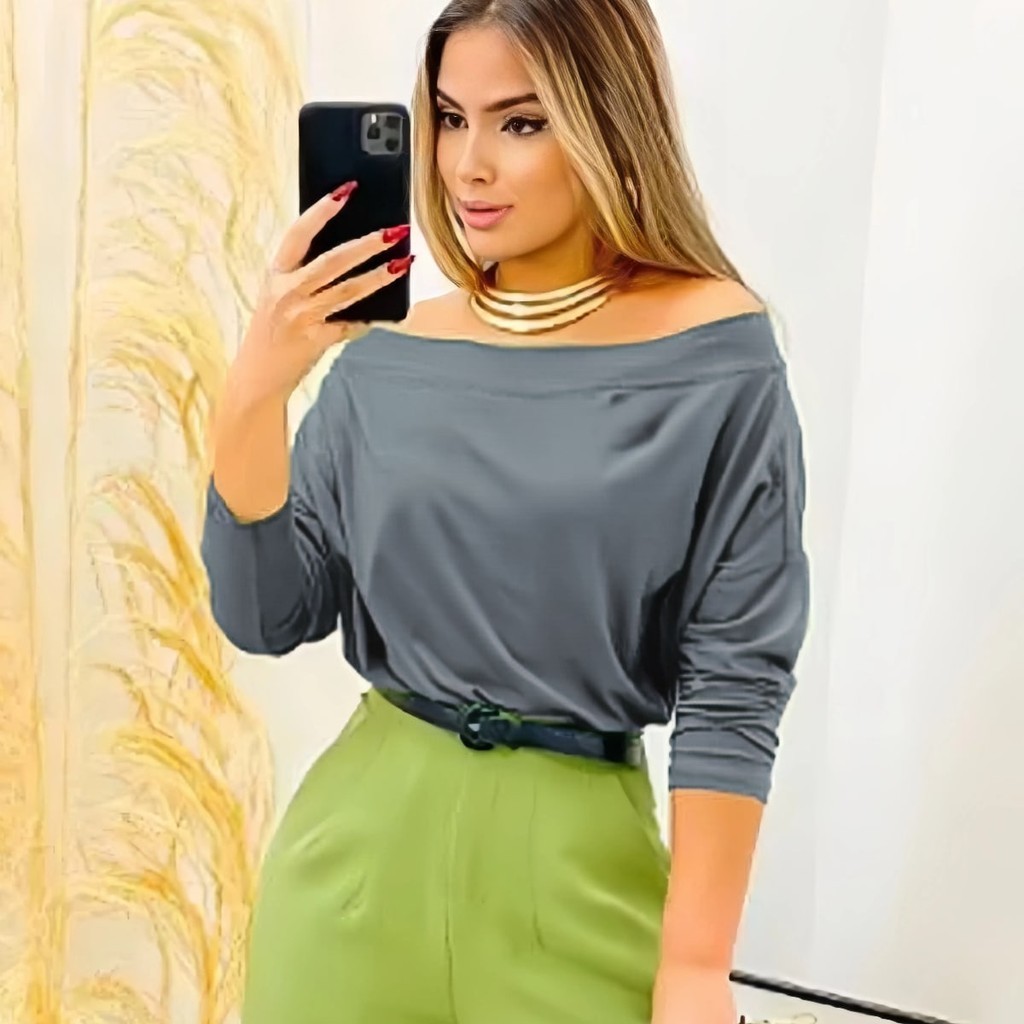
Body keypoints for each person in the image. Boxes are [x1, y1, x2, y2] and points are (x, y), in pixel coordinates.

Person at [200, 1, 811, 1022]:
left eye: (520, 122)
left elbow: (734, 682)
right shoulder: (386, 358)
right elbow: (266, 614)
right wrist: (253, 394)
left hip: (581, 883)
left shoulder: (718, 358)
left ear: (609, 120)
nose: (468, 165)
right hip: (350, 883)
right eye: (449, 118)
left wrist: (696, 965)